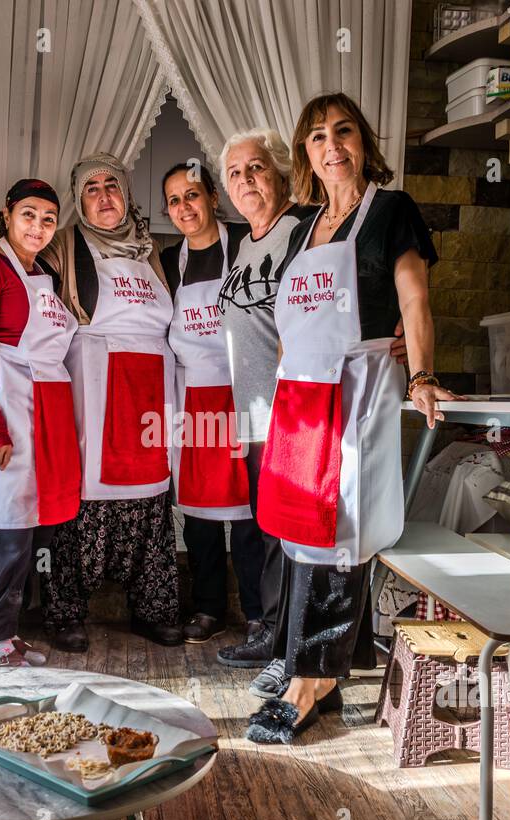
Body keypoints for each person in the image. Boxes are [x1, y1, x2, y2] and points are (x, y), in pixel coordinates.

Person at [246, 93, 459, 743]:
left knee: (340, 530)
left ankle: (310, 679)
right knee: (298, 527)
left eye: (343, 132)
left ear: (363, 141)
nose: (331, 145)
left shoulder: (392, 212)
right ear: (305, 153)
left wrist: (420, 374)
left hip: (359, 383)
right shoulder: (303, 228)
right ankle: (333, 668)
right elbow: (291, 323)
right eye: (317, 136)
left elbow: (414, 300)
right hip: (300, 394)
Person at [38, 153, 182, 651]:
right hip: (94, 380)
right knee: (87, 492)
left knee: (151, 493)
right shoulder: (61, 246)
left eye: (112, 186)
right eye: (92, 188)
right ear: (79, 199)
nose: (104, 196)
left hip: (152, 385)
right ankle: (66, 613)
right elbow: (12, 277)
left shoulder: (153, 250)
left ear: (126, 193)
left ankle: (152, 608)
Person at [0, 178, 80, 667]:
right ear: (8, 214)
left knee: (30, 533)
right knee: (7, 534)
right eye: (29, 215)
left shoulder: (42, 272)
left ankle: (6, 633)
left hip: (45, 410)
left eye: (48, 219)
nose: (39, 227)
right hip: (7, 406)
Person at [211, 129, 316, 699]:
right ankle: (273, 633)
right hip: (251, 412)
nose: (245, 180)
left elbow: (331, 302)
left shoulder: (303, 231)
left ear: (278, 172)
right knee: (266, 527)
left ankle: (289, 650)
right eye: (234, 173)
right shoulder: (246, 242)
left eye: (255, 169)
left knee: (290, 533)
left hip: (290, 411)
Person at [158, 161, 262, 644]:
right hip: (192, 396)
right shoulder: (166, 260)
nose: (185, 207)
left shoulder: (246, 243)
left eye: (193, 195)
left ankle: (260, 612)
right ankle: (208, 608)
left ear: (214, 199)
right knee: (198, 511)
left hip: (246, 390)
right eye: (175, 200)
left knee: (249, 511)